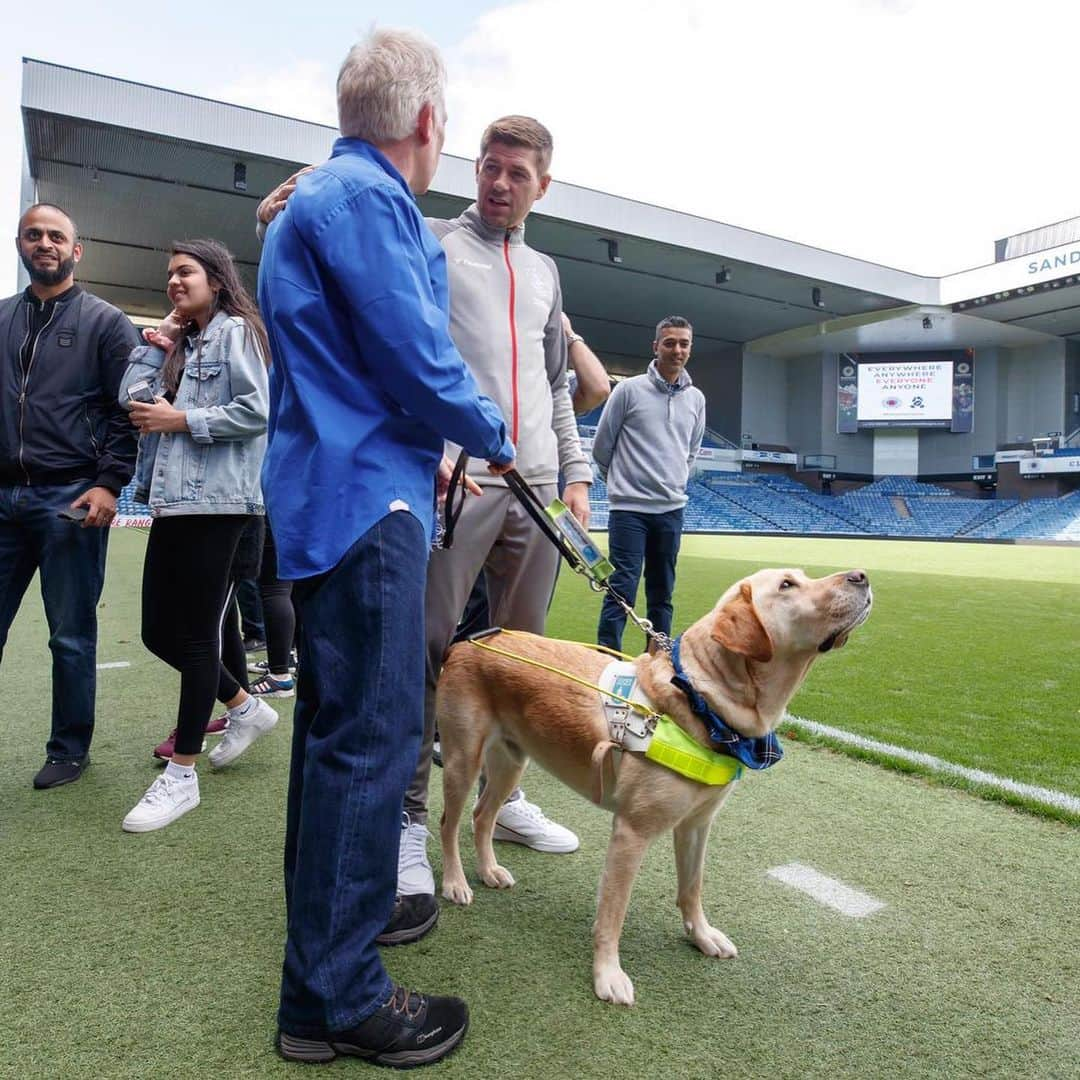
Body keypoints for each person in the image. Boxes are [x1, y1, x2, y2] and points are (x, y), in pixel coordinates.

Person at [258, 115, 595, 945]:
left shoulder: (547, 271)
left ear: (543, 186)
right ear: (471, 168)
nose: (500, 182)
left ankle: (501, 801)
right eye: (489, 166)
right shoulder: (428, 235)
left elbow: (554, 387)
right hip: (457, 477)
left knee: (526, 657)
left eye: (518, 172)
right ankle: (408, 824)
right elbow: (386, 327)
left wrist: (576, 474)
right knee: (425, 650)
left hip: (538, 483)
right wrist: (291, 199)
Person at [258, 29, 515, 1067]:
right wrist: (494, 433)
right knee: (368, 748)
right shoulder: (366, 200)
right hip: (369, 505)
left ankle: (310, 991)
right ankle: (348, 999)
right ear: (426, 121)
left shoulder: (315, 199)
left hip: (330, 499)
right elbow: (419, 356)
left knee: (335, 752)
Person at [119, 239, 275, 833]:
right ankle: (244, 705)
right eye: (169, 275)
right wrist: (156, 342)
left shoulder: (237, 332)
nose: (174, 283)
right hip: (173, 502)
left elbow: (258, 410)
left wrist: (182, 419)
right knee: (158, 630)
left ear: (217, 276)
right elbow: (130, 400)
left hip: (222, 503)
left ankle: (181, 775)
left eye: (185, 272)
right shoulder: (179, 343)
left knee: (198, 636)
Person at [0, 203, 139, 789]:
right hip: (4, 497)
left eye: (56, 236)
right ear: (19, 244)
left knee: (71, 634)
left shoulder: (108, 323)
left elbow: (126, 411)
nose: (45, 244)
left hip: (72, 499)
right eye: (34, 235)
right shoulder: (2, 317)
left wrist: (109, 482)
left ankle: (68, 749)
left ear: (76, 250)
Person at [593, 315, 705, 653]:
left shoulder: (697, 399)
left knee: (662, 593)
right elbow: (602, 447)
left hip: (671, 510)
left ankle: (657, 659)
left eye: (684, 343)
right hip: (629, 510)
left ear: (690, 348)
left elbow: (691, 451)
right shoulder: (629, 390)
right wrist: (624, 485)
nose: (677, 349)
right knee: (621, 589)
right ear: (656, 346)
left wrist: (673, 483)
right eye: (670, 342)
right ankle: (606, 656)